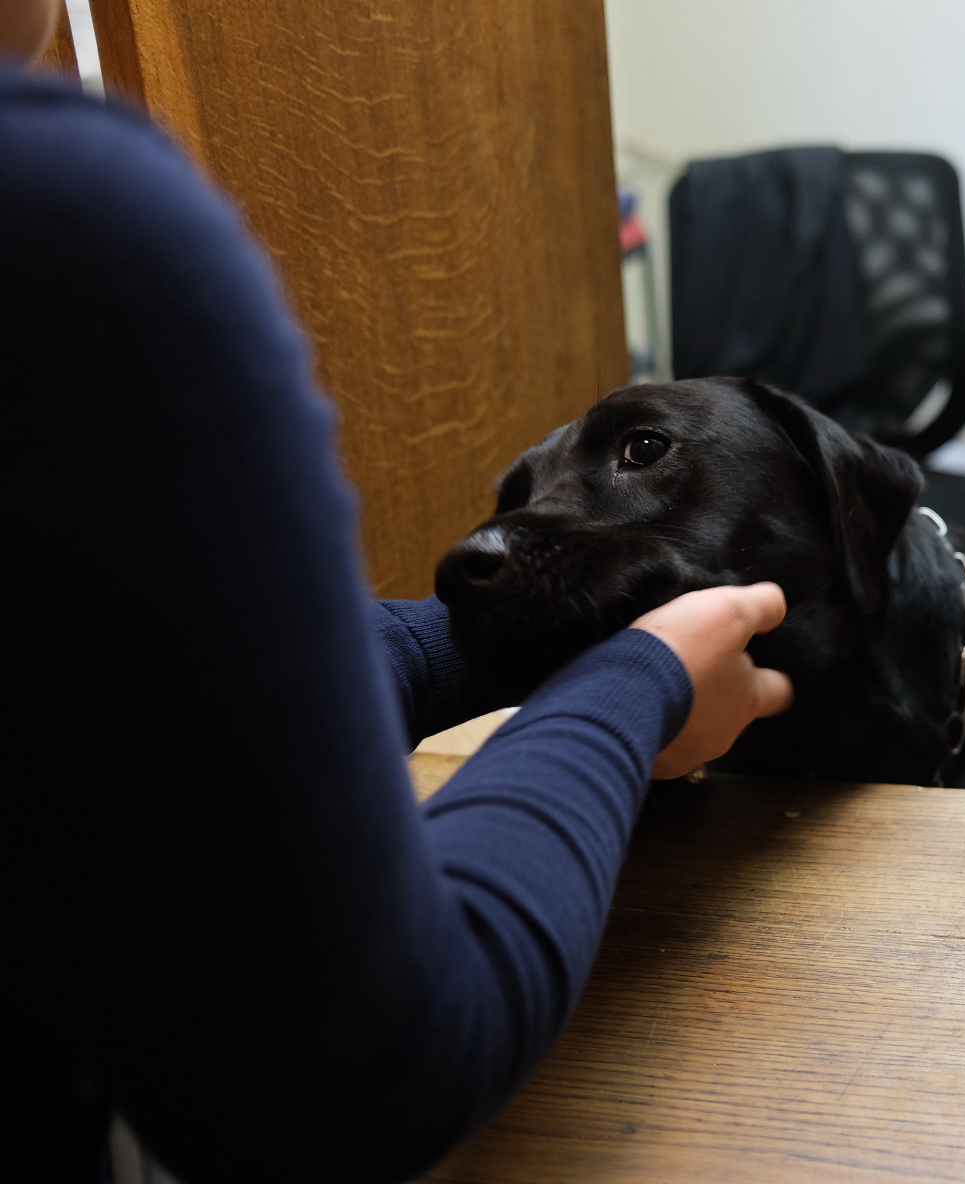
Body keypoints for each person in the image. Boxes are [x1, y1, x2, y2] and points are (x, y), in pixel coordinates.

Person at [0, 5, 792, 1181]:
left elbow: (171, 692)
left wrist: (530, 628)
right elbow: (373, 1074)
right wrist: (643, 680)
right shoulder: (63, 221)